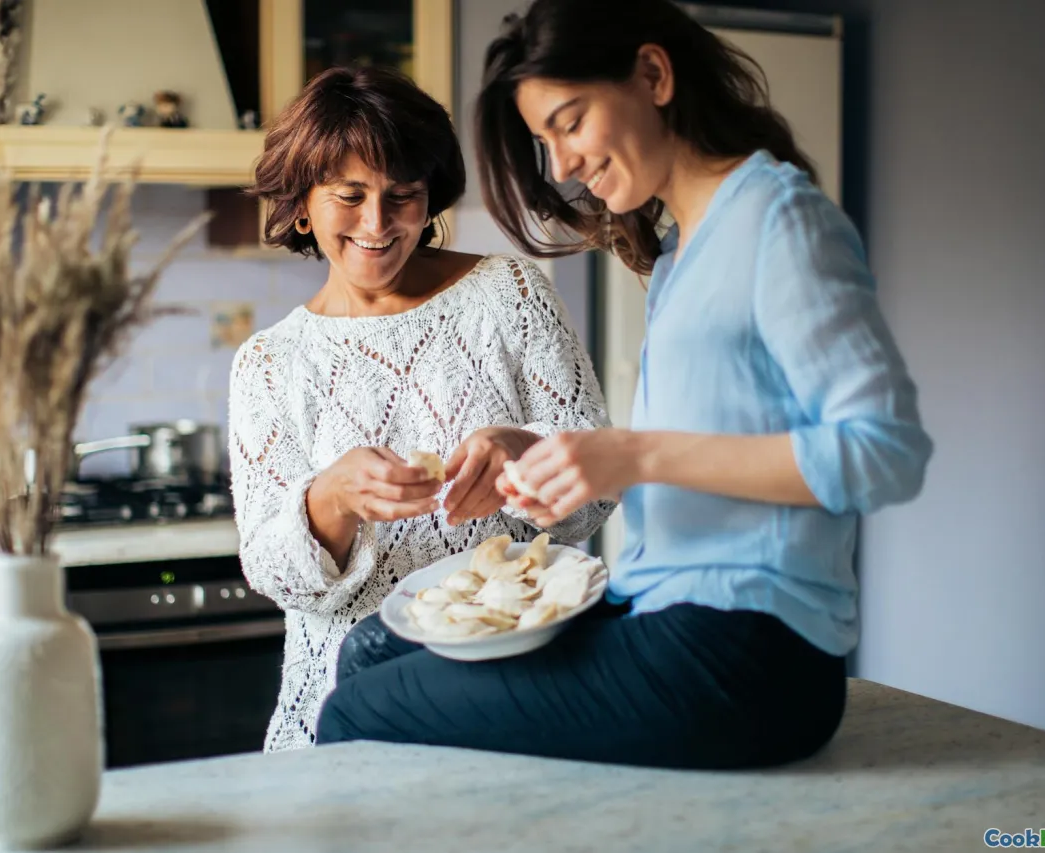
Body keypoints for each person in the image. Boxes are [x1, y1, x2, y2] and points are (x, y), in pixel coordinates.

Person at [317, 0, 934, 770]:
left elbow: (883, 453)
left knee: (355, 710)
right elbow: (701, 446)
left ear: (653, 75)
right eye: (546, 142)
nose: (562, 166)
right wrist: (544, 454)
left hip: (753, 653)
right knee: (370, 649)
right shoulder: (681, 255)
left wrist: (633, 455)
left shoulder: (780, 222)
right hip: (664, 609)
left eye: (571, 123)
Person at [228, 66, 614, 752]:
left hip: (512, 693)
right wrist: (331, 499)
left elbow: (595, 500)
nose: (377, 223)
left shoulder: (510, 294)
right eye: (350, 196)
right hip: (343, 710)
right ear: (302, 204)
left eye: (402, 195)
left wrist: (524, 451)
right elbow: (274, 573)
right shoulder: (269, 363)